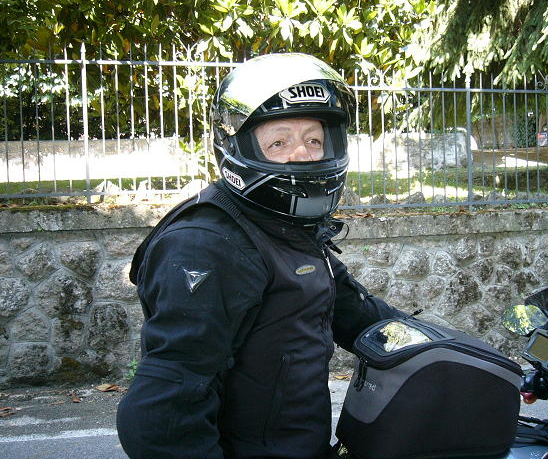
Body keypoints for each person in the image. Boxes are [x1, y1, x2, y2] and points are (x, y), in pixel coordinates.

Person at [116, 53, 404, 459]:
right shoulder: (209, 244)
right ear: (239, 147)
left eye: (314, 139)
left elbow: (359, 313)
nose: (303, 154)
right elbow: (161, 413)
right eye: (279, 142)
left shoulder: (283, 228)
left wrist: (452, 354)